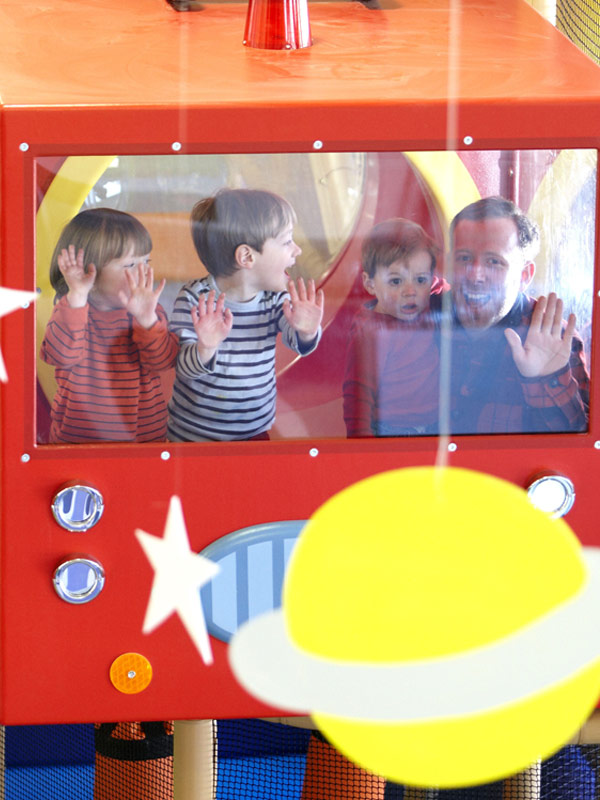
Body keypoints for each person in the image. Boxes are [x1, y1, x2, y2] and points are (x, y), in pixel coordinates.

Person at [168, 188, 324, 442]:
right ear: (247, 257)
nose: (297, 250)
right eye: (287, 242)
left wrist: (306, 331)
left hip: (254, 433)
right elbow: (183, 368)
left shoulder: (275, 300)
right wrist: (205, 347)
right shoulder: (195, 299)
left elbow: (298, 343)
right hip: (193, 437)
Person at [448, 196, 589, 434]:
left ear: (525, 275)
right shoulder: (422, 316)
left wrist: (547, 377)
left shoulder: (553, 337)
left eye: (494, 262)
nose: (475, 275)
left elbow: (581, 450)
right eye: (464, 258)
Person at [40, 208, 178, 443]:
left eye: (146, 261)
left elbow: (163, 361)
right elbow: (61, 356)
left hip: (144, 442)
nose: (144, 271)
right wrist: (77, 296)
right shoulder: (70, 311)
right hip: (77, 442)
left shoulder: (149, 313)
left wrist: (147, 320)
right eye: (130, 265)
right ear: (89, 273)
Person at [343, 218, 443, 437]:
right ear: (370, 284)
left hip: (435, 424)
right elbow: (358, 393)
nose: (411, 291)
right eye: (396, 282)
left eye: (420, 280)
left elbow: (438, 284)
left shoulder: (422, 302)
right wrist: (361, 442)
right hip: (392, 430)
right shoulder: (372, 332)